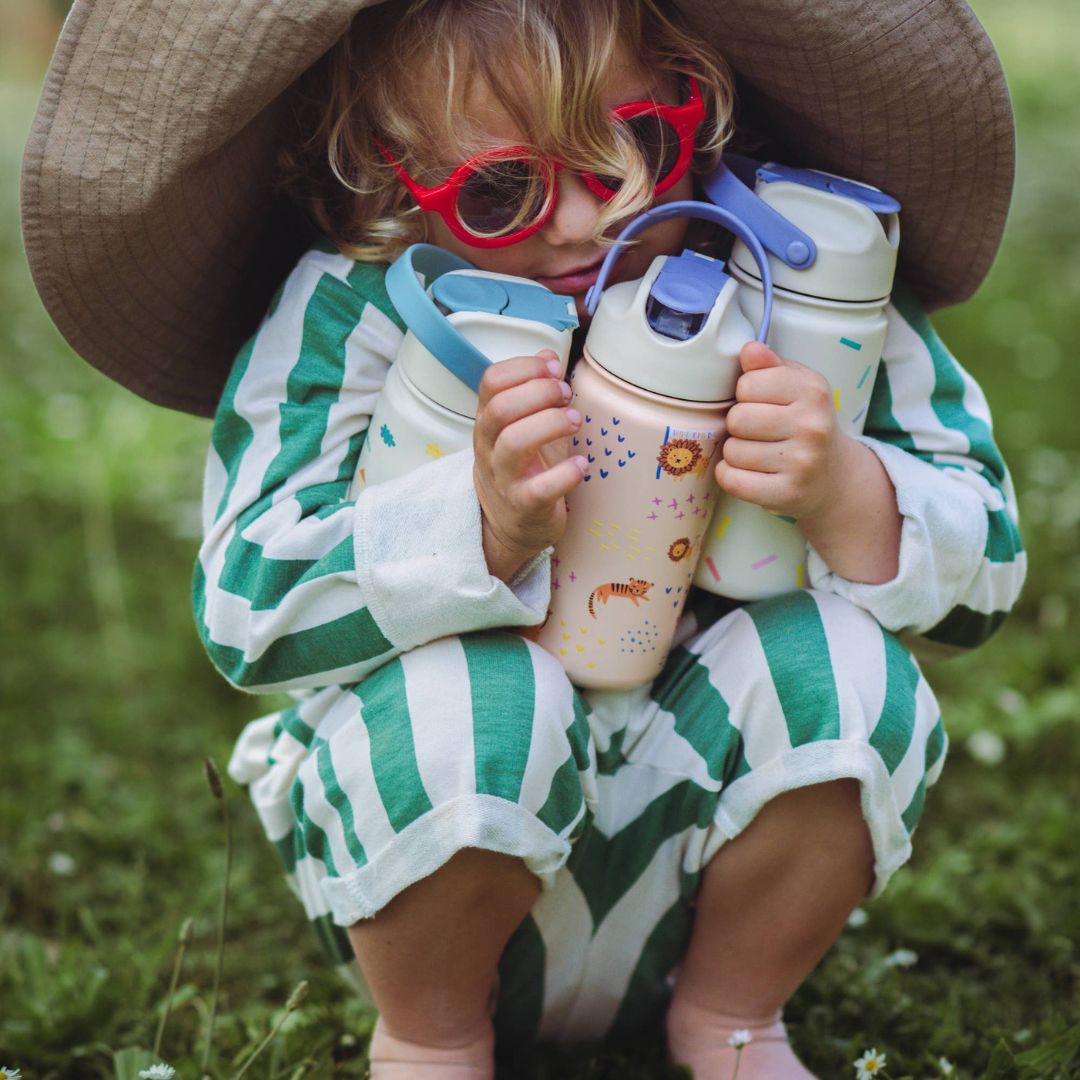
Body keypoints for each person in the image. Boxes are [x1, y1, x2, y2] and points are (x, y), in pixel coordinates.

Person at [21, 0, 1026, 1076]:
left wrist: (844, 488)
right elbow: (245, 607)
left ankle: (733, 1016)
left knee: (850, 673)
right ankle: (431, 1038)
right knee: (481, 701)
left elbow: (990, 557)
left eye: (637, 147)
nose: (589, 221)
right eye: (503, 190)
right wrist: (481, 526)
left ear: (701, 99)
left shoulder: (802, 285)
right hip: (429, 867)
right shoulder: (353, 315)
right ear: (384, 169)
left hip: (703, 865)